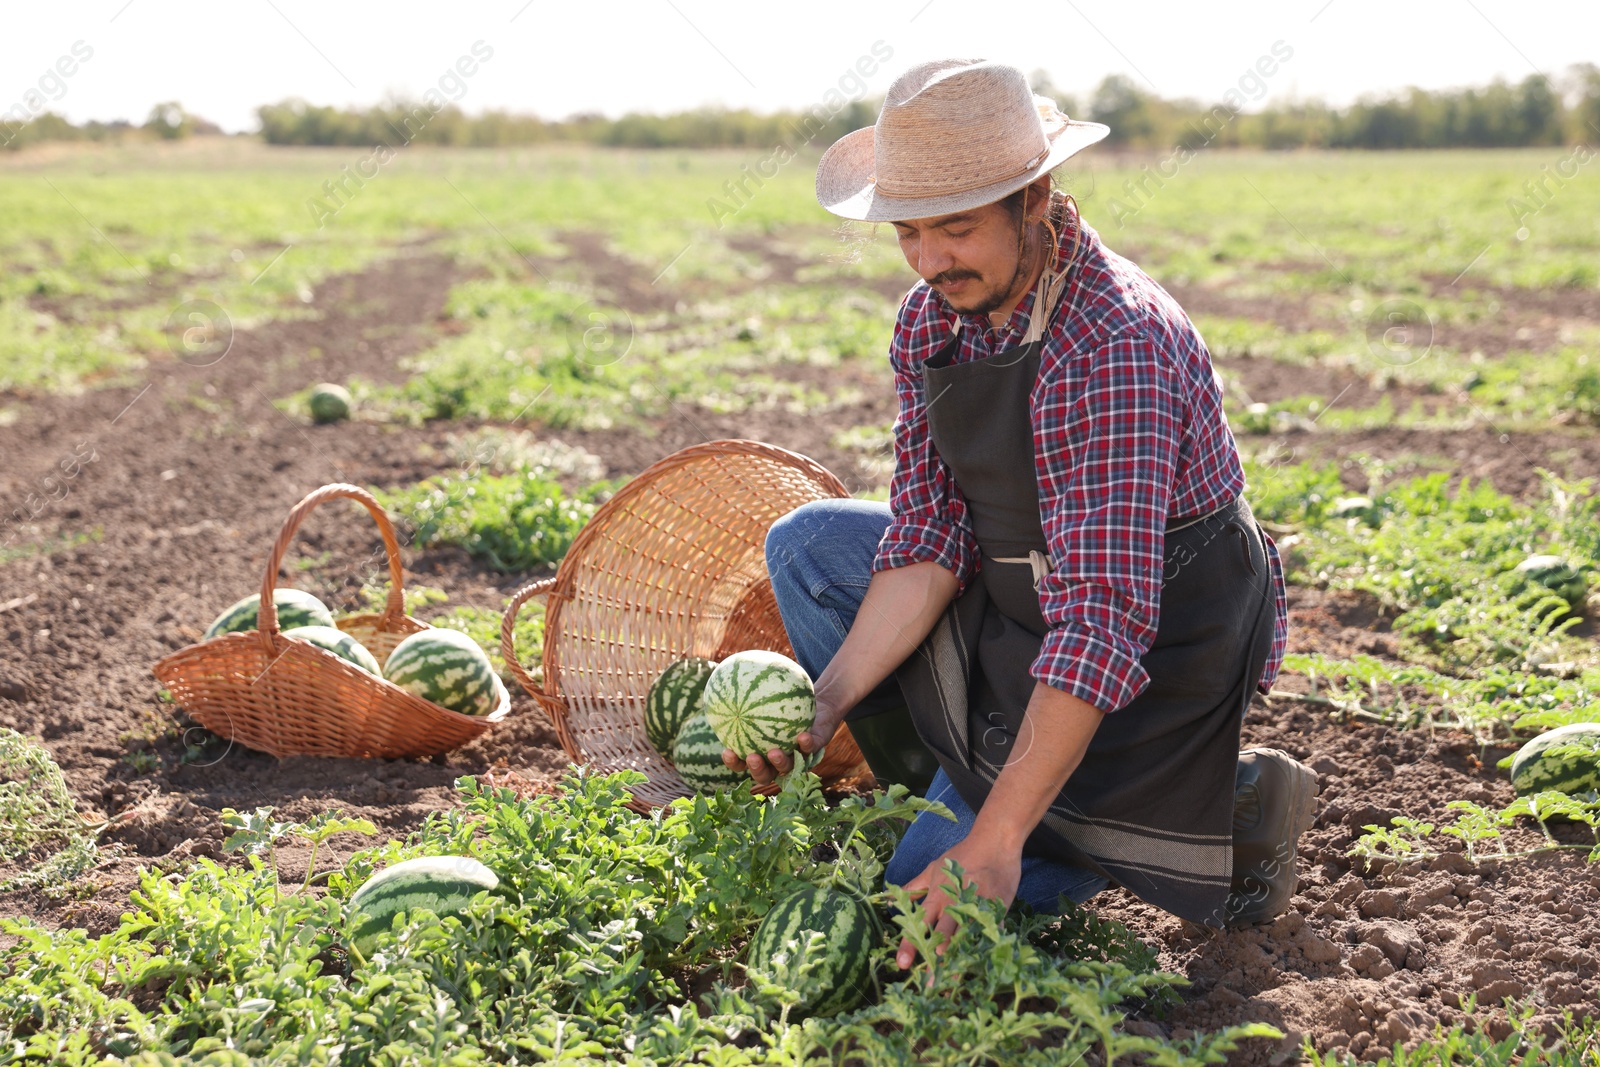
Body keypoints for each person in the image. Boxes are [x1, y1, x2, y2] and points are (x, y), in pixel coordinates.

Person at [721, 59, 1317, 968]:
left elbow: (1104, 621)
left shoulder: (1115, 344)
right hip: (1024, 589)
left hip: (1157, 639)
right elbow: (927, 539)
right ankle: (972, 789)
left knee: (912, 908)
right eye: (909, 232)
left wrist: (991, 844)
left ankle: (1204, 812)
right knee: (811, 548)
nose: (929, 260)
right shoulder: (934, 318)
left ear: (1033, 197)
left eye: (956, 228)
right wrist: (826, 702)